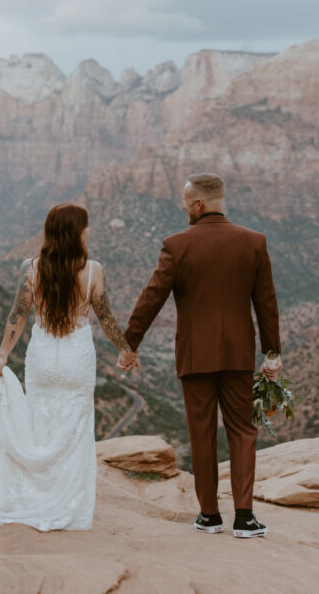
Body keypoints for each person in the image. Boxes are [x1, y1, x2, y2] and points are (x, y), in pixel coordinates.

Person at [0, 203, 137, 534]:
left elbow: (17, 316)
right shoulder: (93, 270)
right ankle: (67, 505)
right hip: (77, 357)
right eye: (85, 227)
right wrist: (125, 351)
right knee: (75, 427)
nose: (89, 231)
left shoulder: (31, 268)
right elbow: (105, 317)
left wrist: (2, 356)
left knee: (39, 424)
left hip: (43, 356)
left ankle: (33, 495)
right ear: (77, 233)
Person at [122, 173, 281, 538]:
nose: (182, 206)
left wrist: (130, 345)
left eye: (185, 200)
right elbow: (267, 304)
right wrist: (272, 355)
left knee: (202, 433)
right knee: (243, 431)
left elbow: (151, 298)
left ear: (200, 204)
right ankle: (245, 517)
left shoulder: (177, 245)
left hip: (194, 355)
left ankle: (209, 515)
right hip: (239, 353)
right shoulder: (253, 242)